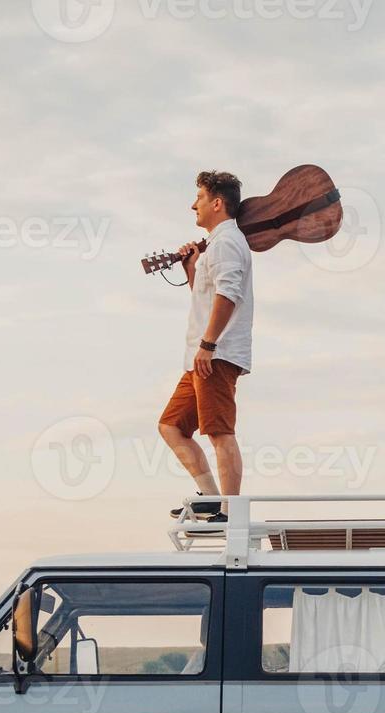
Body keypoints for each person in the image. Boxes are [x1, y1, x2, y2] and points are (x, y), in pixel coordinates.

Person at [158, 170, 254, 527]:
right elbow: (209, 296)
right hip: (202, 355)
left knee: (219, 432)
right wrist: (192, 270)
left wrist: (209, 345)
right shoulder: (216, 245)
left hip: (216, 354)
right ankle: (213, 500)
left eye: (198, 197)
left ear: (217, 203)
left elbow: (230, 293)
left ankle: (230, 514)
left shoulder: (228, 242)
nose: (192, 204)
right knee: (171, 426)